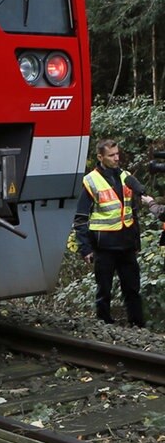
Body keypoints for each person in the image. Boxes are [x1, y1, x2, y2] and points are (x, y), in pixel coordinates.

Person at [73, 138, 144, 327]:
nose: (116, 158)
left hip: (126, 242)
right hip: (103, 245)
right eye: (111, 155)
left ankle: (137, 324)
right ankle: (104, 324)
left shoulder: (126, 177)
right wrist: (85, 248)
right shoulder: (91, 181)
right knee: (104, 289)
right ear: (100, 157)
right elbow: (81, 217)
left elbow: (132, 212)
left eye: (117, 154)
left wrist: (137, 242)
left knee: (132, 288)